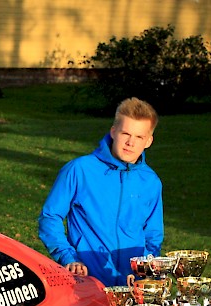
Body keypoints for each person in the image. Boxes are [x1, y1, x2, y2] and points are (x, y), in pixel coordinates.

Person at [38, 97, 164, 287]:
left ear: (148, 141)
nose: (130, 142)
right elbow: (50, 217)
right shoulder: (79, 170)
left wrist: (144, 273)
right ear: (113, 131)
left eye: (139, 137)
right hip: (87, 283)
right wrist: (68, 257)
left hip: (132, 288)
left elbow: (153, 235)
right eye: (125, 133)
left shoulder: (151, 181)